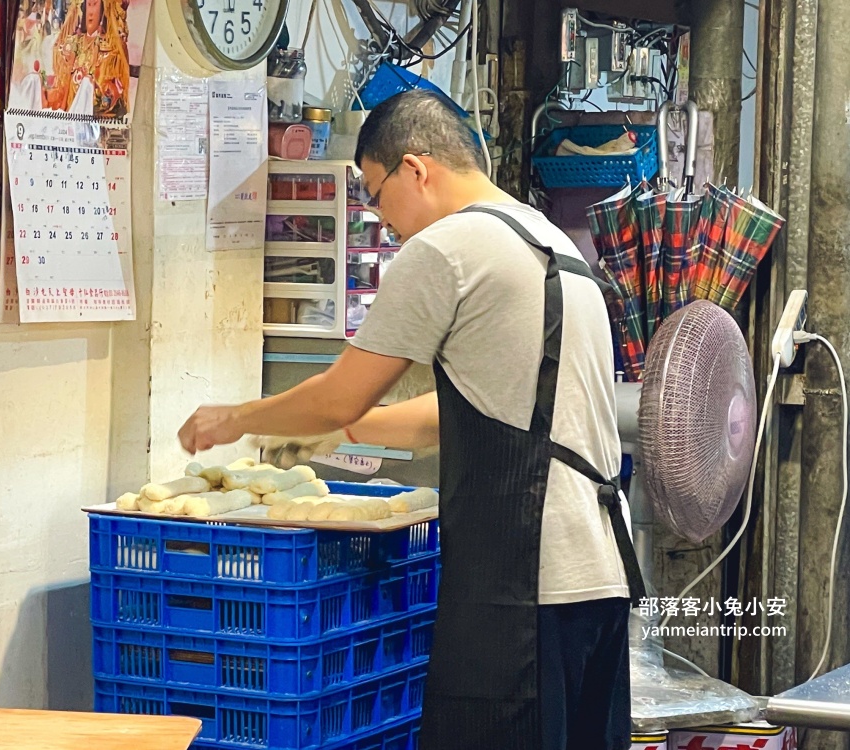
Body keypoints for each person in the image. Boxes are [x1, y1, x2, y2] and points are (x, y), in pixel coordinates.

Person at [178, 89, 644, 750]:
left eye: (374, 192)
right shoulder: (548, 241)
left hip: (524, 583)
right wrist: (344, 431)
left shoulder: (448, 249)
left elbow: (342, 392)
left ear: (416, 169)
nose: (381, 217)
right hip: (596, 578)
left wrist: (234, 419)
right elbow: (476, 413)